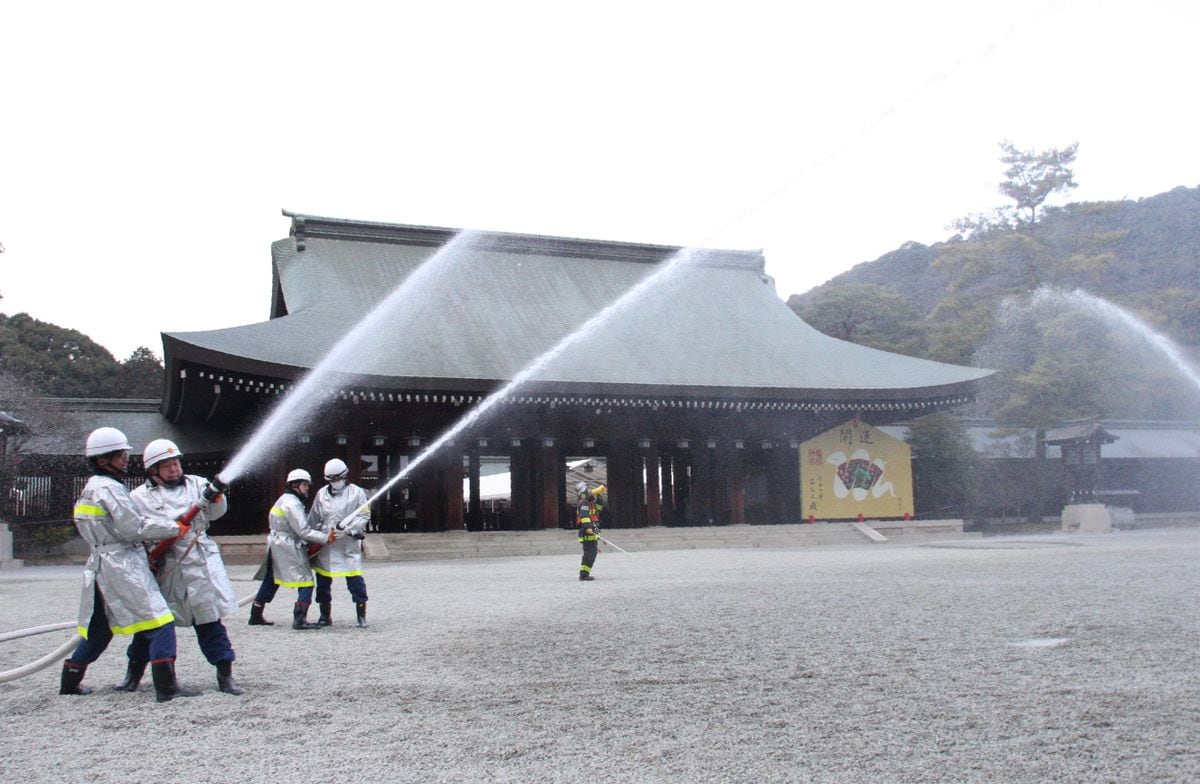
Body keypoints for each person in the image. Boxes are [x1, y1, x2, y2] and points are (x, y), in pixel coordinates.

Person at [60, 427, 199, 702]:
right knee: (160, 620)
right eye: (120, 455)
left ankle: (70, 680)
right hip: (122, 563)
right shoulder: (110, 489)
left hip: (99, 563)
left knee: (99, 627)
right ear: (102, 461)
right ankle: (166, 687)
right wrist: (173, 528)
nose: (126, 458)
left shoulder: (90, 489)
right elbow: (133, 527)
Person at [129, 439, 243, 695]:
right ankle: (133, 675)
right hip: (167, 565)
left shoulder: (198, 484)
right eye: (167, 465)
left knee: (210, 621)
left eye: (176, 463)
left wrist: (217, 497)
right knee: (153, 624)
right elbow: (138, 530)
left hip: (200, 560)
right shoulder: (138, 498)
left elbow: (215, 514)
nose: (174, 469)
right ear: (153, 470)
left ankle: (225, 676)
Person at [248, 468, 335, 630]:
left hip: (276, 543)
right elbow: (303, 530)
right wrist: (325, 537)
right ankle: (299, 619)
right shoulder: (292, 504)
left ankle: (255, 614)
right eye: (304, 485)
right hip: (288, 544)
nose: (307, 488)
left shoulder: (282, 499)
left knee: (272, 579)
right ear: (295, 485)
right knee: (306, 581)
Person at [309, 458, 372, 627]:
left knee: (355, 581)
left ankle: (361, 615)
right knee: (322, 582)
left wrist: (349, 530)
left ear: (344, 476)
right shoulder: (321, 494)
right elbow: (313, 518)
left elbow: (364, 515)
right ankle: (324, 615)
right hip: (326, 545)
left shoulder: (357, 493)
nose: (334, 483)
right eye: (331, 480)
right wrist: (317, 537)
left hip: (348, 545)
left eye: (337, 479)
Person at [576, 481, 600, 581]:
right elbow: (584, 516)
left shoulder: (588, 503)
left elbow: (598, 509)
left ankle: (584, 573)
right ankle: (584, 575)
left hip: (591, 532)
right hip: (588, 532)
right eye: (588, 490)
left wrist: (600, 498)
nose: (590, 492)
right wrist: (588, 527)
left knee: (589, 553)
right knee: (590, 554)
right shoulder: (583, 503)